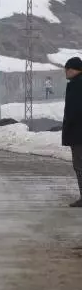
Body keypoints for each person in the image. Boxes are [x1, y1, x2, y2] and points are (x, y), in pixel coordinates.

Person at [62, 57, 82, 207]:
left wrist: (68, 126)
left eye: (67, 69)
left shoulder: (76, 85)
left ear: (73, 69)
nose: (65, 73)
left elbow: (73, 110)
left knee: (79, 165)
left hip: (78, 133)